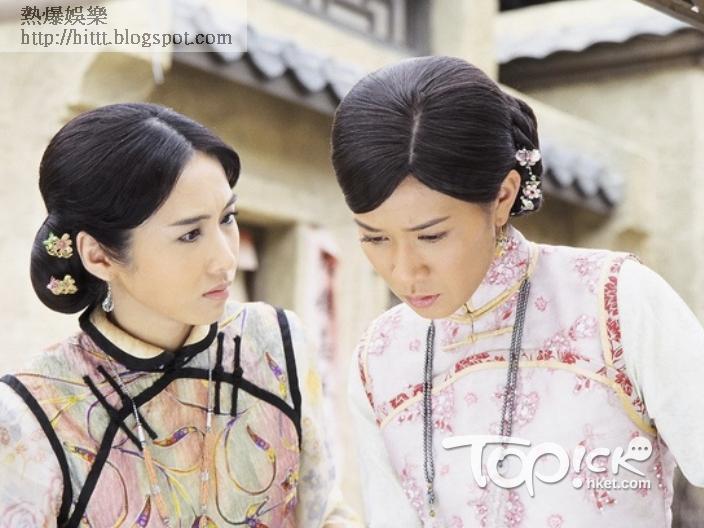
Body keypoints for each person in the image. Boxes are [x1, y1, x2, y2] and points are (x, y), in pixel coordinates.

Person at [330, 56, 704, 527]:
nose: (404, 270)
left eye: (431, 236)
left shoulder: (615, 302)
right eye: (375, 238)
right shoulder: (380, 357)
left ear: (503, 196)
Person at [0, 103, 360, 528]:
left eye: (228, 218)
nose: (225, 259)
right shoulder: (33, 412)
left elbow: (322, 510)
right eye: (190, 234)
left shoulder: (273, 341)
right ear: (99, 256)